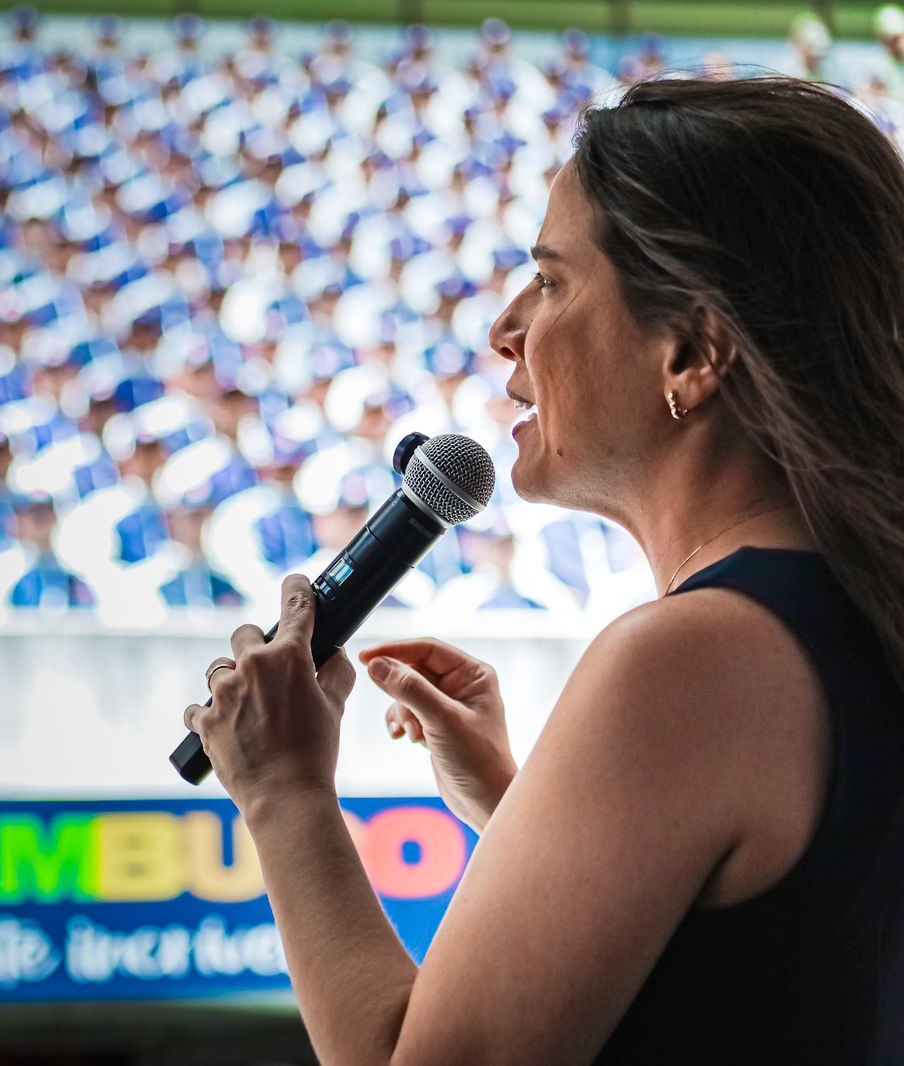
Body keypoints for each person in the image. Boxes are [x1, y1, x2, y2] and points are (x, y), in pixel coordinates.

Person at [183, 77, 904, 1064]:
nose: (504, 329)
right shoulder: (835, 616)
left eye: (551, 280)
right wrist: (516, 807)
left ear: (692, 349)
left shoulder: (694, 661)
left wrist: (281, 792)